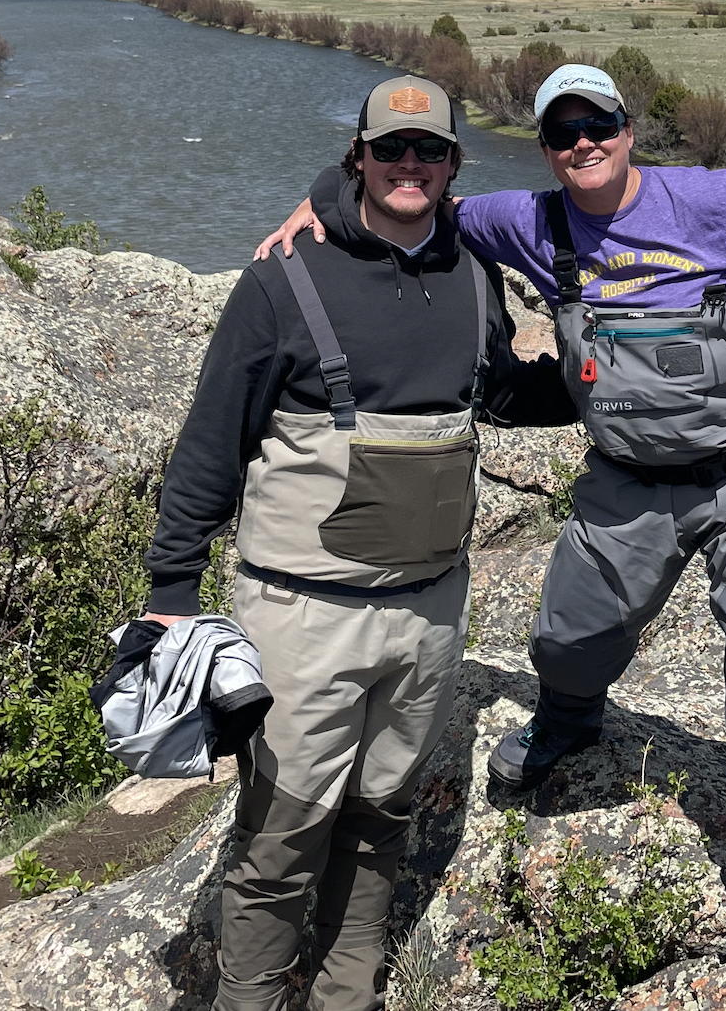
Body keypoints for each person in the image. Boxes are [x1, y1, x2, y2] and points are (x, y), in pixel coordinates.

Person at [259, 62, 726, 986]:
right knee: (566, 640)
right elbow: (410, 193)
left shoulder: (713, 200)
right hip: (630, 480)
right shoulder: (530, 221)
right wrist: (317, 205)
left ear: (628, 130)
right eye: (562, 132)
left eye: (599, 126)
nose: (583, 143)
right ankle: (569, 720)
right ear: (544, 148)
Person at [142, 74, 574, 1011]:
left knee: (382, 820)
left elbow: (496, 391)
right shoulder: (281, 279)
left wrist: (594, 380)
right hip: (303, 620)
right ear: (359, 157)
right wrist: (171, 592)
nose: (409, 164)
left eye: (430, 150)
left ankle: (348, 994)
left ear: (454, 165)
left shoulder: (474, 275)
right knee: (280, 838)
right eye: (390, 148)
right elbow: (212, 442)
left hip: (429, 616)